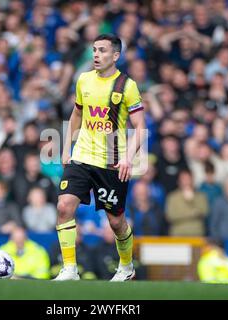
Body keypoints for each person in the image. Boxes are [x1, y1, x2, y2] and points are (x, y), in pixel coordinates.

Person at [54, 34, 144, 281]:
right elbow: (76, 114)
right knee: (64, 207)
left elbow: (140, 127)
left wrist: (127, 157)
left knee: (116, 222)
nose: (96, 54)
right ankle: (70, 269)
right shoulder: (83, 80)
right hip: (82, 156)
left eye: (102, 50)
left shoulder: (127, 86)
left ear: (115, 56)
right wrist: (65, 147)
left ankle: (126, 267)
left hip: (112, 162)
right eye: (94, 49)